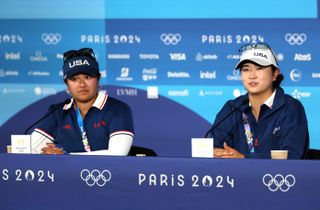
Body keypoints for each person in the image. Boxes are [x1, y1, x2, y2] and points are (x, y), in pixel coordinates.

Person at [208, 42, 309, 159]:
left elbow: (291, 157)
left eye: (259, 68)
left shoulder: (290, 108)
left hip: (276, 177)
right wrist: (216, 153)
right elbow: (212, 147)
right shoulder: (232, 108)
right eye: (246, 69)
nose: (252, 75)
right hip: (235, 176)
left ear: (275, 74)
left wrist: (243, 159)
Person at [31, 48, 134, 155]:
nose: (81, 84)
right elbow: (30, 149)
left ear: (98, 78)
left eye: (87, 77)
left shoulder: (118, 109)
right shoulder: (57, 111)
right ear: (67, 83)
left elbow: (117, 154)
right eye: (74, 79)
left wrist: (65, 156)